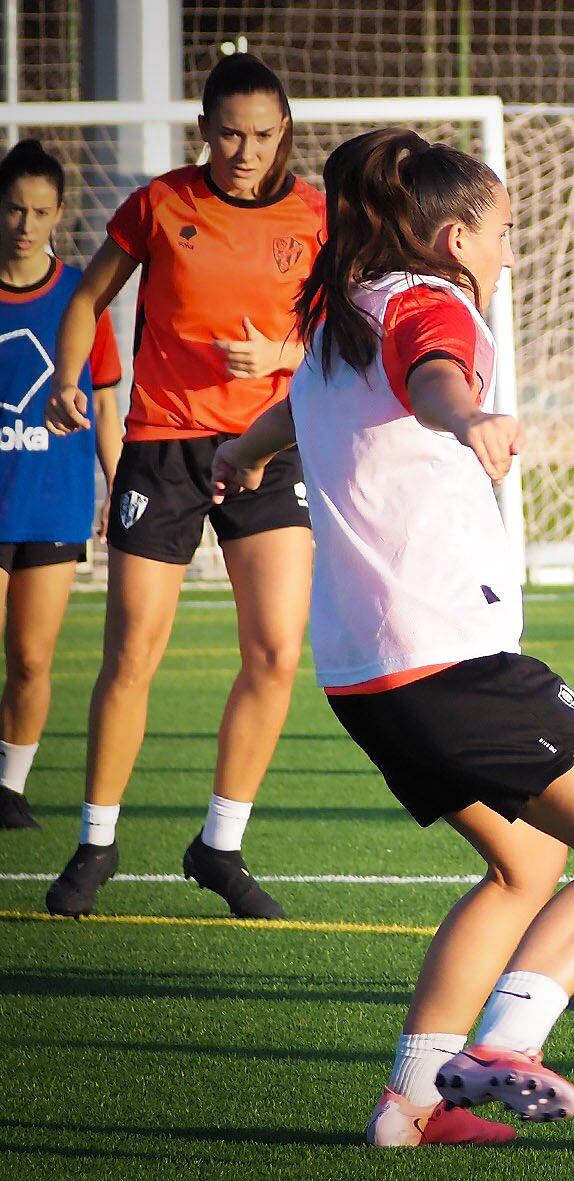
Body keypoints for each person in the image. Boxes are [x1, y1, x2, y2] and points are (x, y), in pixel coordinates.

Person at [212, 127, 574, 1147]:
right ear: (457, 235)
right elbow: (435, 376)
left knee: (526, 868)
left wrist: (242, 455)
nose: (513, 251)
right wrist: (467, 416)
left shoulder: (344, 315)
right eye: (506, 231)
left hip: (364, 677)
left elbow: (298, 413)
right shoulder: (434, 306)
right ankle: (507, 1044)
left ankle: (413, 1102)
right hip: (450, 658)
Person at [42, 54, 324, 919]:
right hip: (162, 445)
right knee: (132, 651)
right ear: (205, 129)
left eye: (263, 134)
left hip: (269, 446)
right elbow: (87, 298)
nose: (245, 149)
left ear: (285, 132)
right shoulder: (159, 204)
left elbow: (347, 337)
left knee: (275, 652)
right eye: (230, 132)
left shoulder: (318, 214)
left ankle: (220, 845)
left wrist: (280, 358)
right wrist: (66, 376)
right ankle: (95, 842)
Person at [0, 140, 122, 830]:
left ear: (59, 215)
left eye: (40, 210)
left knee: (31, 656)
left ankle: (9, 787)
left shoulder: (80, 299)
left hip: (54, 500)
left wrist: (116, 484)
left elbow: (105, 401)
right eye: (14, 207)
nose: (25, 222)